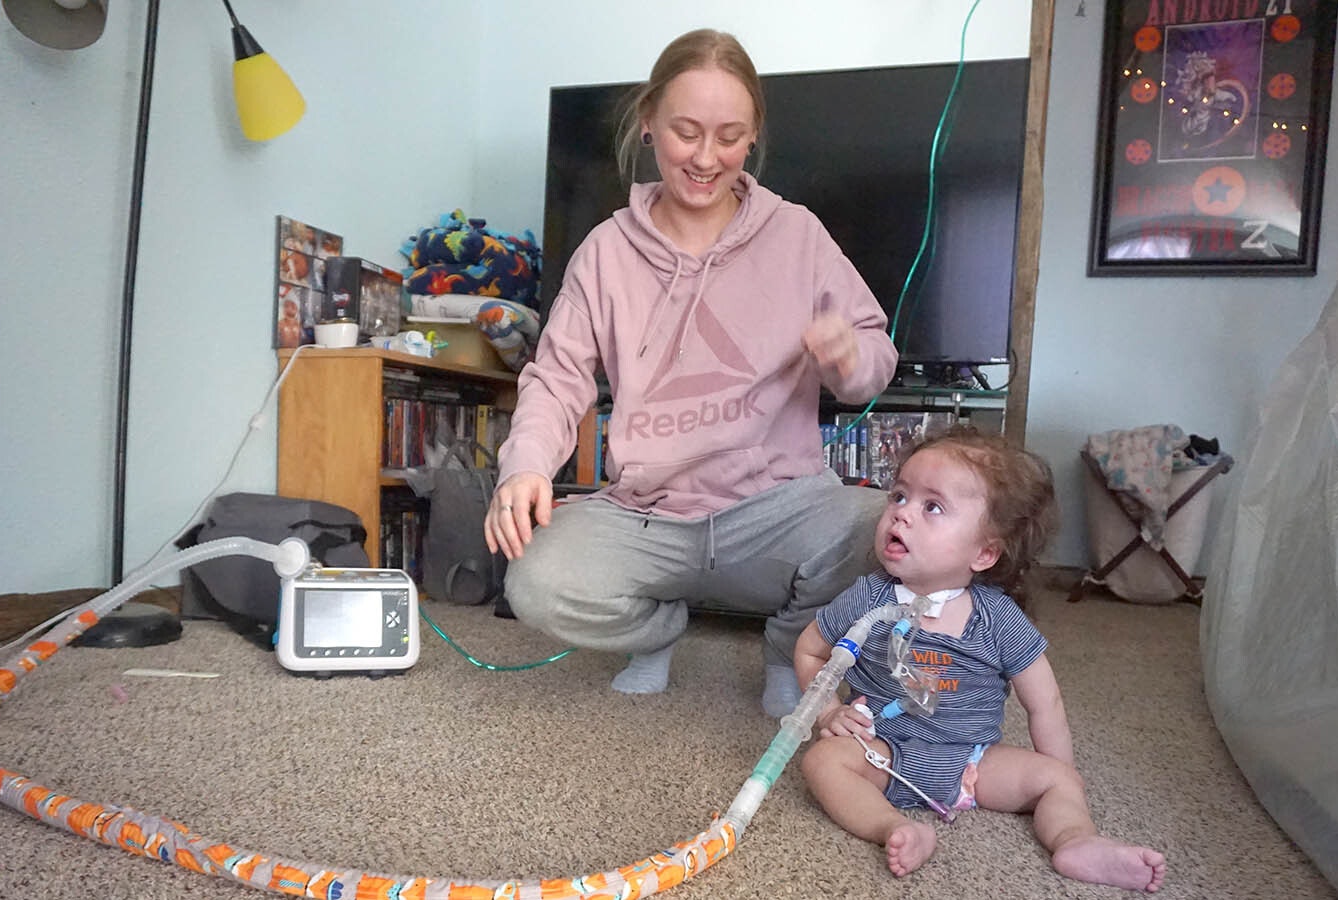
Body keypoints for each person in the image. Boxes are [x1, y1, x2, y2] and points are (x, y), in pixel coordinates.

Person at [484, 28, 897, 718]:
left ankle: (788, 648)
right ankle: (659, 630)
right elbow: (557, 378)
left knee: (892, 532)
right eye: (686, 132)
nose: (707, 158)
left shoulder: (797, 233)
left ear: (754, 136)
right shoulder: (606, 251)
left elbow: (874, 355)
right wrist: (524, 466)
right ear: (648, 124)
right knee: (534, 580)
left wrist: (850, 360)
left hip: (778, 507)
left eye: (730, 137)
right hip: (648, 514)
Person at [793, 428, 1167, 891]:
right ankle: (892, 827)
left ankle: (1075, 839)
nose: (901, 514)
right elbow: (810, 650)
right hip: (882, 750)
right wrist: (829, 711)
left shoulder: (999, 620)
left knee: (1056, 780)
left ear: (985, 552)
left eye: (932, 506)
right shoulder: (867, 598)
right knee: (822, 762)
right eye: (899, 496)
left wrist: (1059, 775)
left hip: (975, 762)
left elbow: (1044, 703)